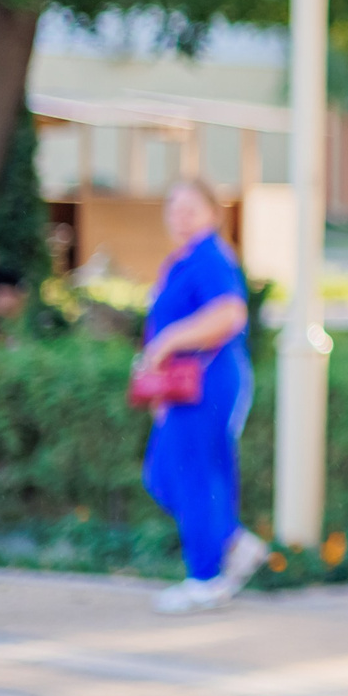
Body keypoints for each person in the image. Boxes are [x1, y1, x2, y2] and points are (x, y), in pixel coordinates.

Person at [138, 179, 268, 614]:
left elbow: (230, 315)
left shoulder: (211, 257)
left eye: (191, 208)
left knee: (192, 474)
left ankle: (206, 578)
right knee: (164, 474)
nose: (181, 216)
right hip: (183, 386)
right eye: (174, 208)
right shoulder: (184, 261)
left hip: (207, 383)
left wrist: (168, 341)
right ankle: (232, 541)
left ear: (214, 212)